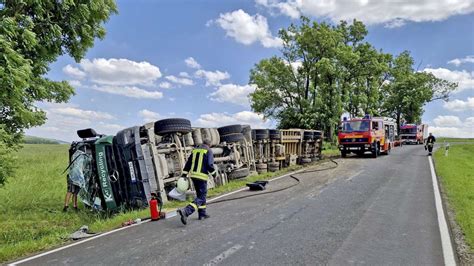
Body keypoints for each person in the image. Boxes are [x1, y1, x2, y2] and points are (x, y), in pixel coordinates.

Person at [177, 139, 217, 225]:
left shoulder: (195, 150)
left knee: (200, 195)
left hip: (194, 176)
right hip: (202, 177)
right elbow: (210, 165)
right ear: (209, 145)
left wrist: (184, 174)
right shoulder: (208, 150)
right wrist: (214, 174)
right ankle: (186, 211)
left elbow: (188, 163)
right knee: (202, 197)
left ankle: (202, 214)